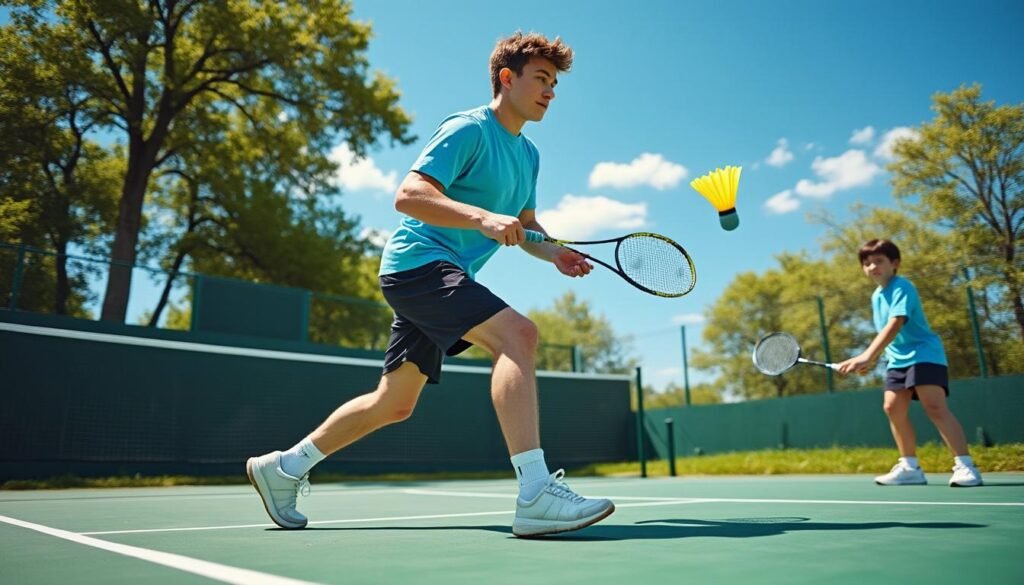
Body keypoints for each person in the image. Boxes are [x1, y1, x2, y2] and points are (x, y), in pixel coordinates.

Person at [246, 32, 616, 537]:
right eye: (541, 79)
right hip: (417, 264)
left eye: (554, 83)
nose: (550, 91)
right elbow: (409, 195)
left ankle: (283, 468)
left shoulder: (529, 156)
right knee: (519, 335)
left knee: (394, 403)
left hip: (440, 275)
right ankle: (535, 493)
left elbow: (526, 225)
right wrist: (482, 217)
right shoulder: (468, 130)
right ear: (507, 79)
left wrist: (554, 253)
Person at [837, 239, 983, 487]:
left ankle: (966, 466)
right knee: (892, 408)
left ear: (895, 263)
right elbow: (888, 335)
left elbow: (896, 323)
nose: (872, 266)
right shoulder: (876, 296)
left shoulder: (903, 286)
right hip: (896, 360)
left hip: (924, 354)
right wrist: (872, 361)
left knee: (934, 407)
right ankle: (910, 467)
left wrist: (867, 355)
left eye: (879, 261)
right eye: (867, 263)